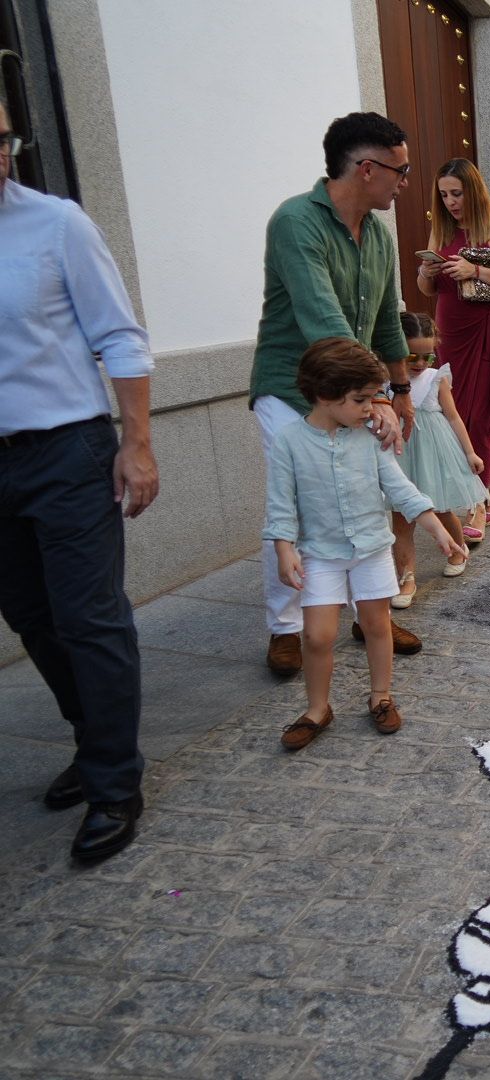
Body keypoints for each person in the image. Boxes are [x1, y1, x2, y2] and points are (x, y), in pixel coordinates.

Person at [0, 99, 157, 861]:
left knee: (88, 618)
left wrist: (137, 443)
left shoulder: (57, 225)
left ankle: (112, 781)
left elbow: (120, 337)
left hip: (66, 449)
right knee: (31, 616)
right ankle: (91, 740)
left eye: (2, 139)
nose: (0, 155)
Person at [253, 112, 421, 677]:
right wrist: (371, 397)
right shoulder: (296, 222)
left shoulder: (376, 234)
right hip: (290, 386)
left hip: (358, 390)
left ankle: (368, 611)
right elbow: (323, 319)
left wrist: (399, 391)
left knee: (365, 495)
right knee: (301, 507)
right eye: (400, 170)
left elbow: (386, 323)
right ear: (366, 168)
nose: (404, 182)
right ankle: (287, 627)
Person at [266, 338, 466, 752]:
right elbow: (281, 502)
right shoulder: (289, 441)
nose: (370, 407)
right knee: (318, 636)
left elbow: (399, 487)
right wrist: (284, 547)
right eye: (361, 399)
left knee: (377, 625)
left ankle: (380, 696)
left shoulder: (368, 437)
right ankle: (318, 708)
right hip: (320, 554)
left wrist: (436, 527)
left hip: (373, 549)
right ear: (325, 396)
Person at [417, 157, 490, 542]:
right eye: (445, 194)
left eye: (457, 193)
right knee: (456, 417)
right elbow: (428, 291)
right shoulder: (441, 231)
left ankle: (478, 502)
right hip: (449, 334)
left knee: (482, 416)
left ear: (474, 191)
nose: (450, 202)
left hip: (489, 332)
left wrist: (476, 270)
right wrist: (426, 274)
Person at [390, 313, 485, 610]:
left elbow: (453, 416)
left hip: (434, 454)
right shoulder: (385, 382)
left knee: (441, 509)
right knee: (401, 519)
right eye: (411, 356)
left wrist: (469, 451)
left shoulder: (436, 378)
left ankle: (457, 550)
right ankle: (406, 577)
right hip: (400, 457)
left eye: (427, 355)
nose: (420, 363)